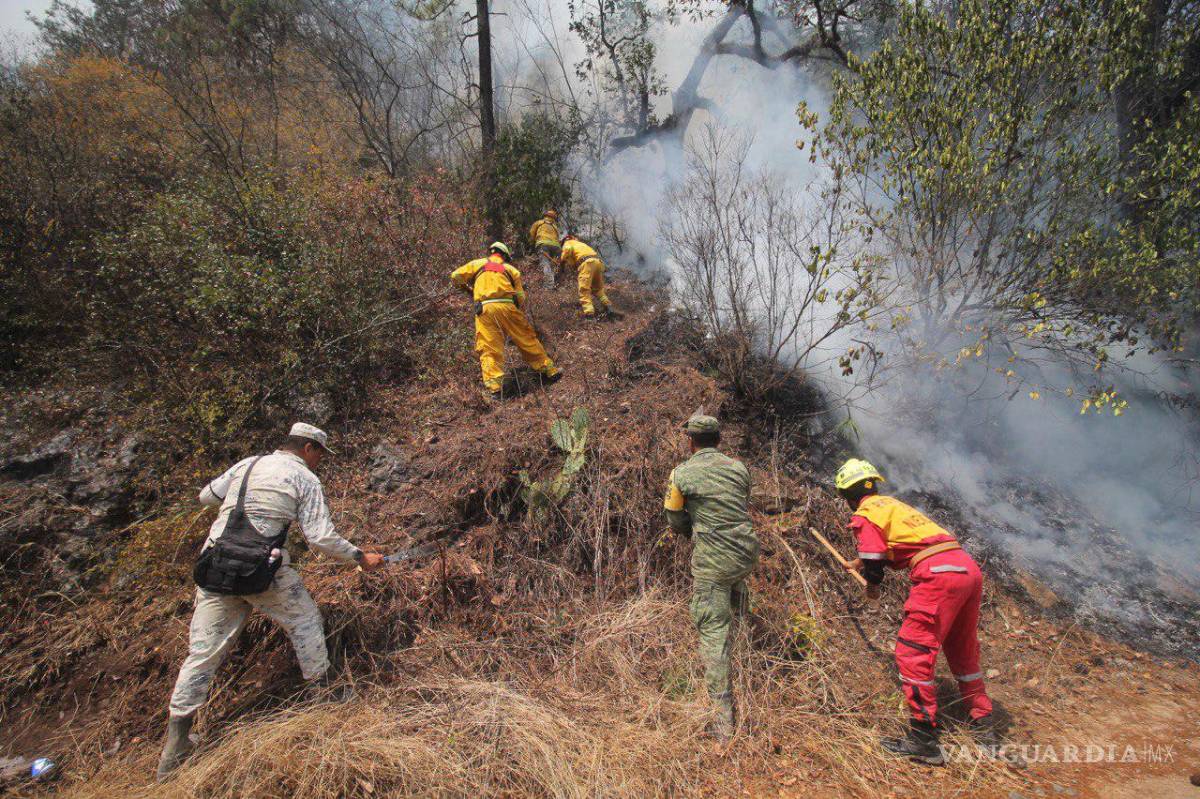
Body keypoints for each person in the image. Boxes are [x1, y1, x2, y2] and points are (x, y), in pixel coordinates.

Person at [156, 423, 385, 781]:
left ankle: (175, 748)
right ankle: (325, 699)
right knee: (306, 621)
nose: (320, 461)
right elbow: (321, 537)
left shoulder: (247, 464)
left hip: (216, 566)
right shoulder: (305, 479)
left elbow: (206, 496)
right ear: (309, 448)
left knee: (202, 653)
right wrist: (360, 557)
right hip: (262, 569)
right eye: (320, 453)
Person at [835, 458, 997, 765]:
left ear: (848, 496)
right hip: (966, 568)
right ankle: (983, 725)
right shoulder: (892, 506)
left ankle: (924, 740)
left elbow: (874, 557)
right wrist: (861, 563)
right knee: (962, 650)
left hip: (938, 575)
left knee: (912, 653)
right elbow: (905, 545)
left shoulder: (864, 514)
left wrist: (871, 584)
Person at [663, 415, 759, 741]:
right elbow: (737, 503)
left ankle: (722, 720)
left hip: (714, 562)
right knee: (735, 592)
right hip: (745, 553)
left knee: (713, 629)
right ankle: (752, 652)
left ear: (690, 442)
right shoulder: (739, 468)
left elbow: (675, 520)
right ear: (719, 439)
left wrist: (692, 529)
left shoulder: (681, 474)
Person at [450, 242, 563, 398]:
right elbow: (521, 297)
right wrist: (519, 314)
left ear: (492, 253)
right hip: (508, 306)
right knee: (527, 339)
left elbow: (455, 276)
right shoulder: (511, 270)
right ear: (504, 256)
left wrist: (470, 290)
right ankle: (550, 371)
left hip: (485, 309)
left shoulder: (477, 264)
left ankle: (496, 389)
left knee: (489, 346)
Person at [558, 233, 618, 319]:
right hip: (598, 263)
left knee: (584, 290)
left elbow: (567, 251)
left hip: (587, 264)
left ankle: (589, 315)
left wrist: (562, 262)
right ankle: (608, 308)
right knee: (598, 290)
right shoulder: (581, 244)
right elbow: (575, 261)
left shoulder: (568, 243)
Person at [528, 209, 562, 283]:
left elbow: (532, 233)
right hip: (556, 247)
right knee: (553, 265)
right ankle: (554, 282)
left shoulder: (539, 222)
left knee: (546, 264)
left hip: (543, 244)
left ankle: (549, 285)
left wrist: (531, 244)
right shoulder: (555, 227)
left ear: (545, 216)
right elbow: (558, 237)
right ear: (554, 218)